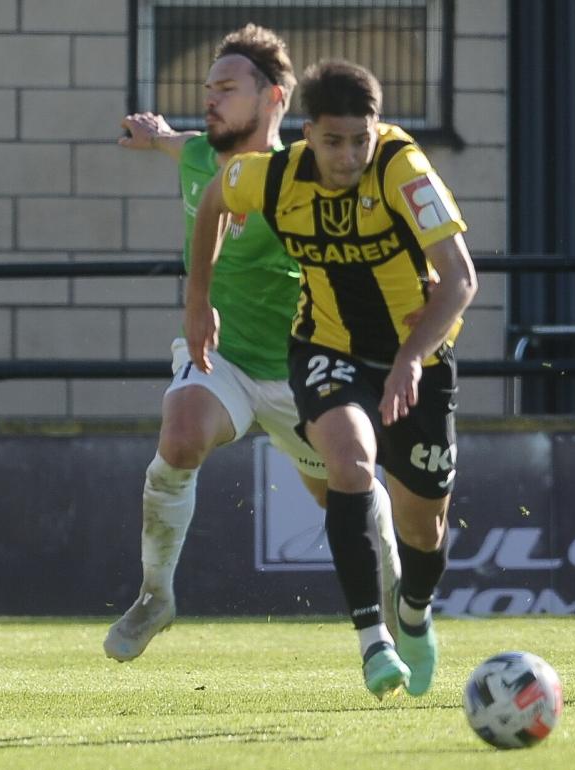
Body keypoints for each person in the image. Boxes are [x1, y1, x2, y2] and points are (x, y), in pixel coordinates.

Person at [103, 27, 400, 662]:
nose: (209, 100)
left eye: (226, 89)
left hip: (302, 366)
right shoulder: (197, 158)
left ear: (273, 98)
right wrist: (152, 135)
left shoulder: (306, 175)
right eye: (207, 88)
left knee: (345, 491)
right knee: (180, 434)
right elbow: (177, 143)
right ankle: (156, 595)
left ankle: (395, 594)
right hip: (224, 359)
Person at [184, 59, 476, 700]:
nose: (347, 157)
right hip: (327, 346)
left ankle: (415, 613)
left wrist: (408, 360)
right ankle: (373, 642)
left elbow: (459, 279)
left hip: (418, 360)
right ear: (308, 134)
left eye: (360, 141)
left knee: (423, 527)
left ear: (377, 131)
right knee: (349, 466)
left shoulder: (404, 170)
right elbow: (213, 197)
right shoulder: (273, 175)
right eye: (333, 141)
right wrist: (198, 299)